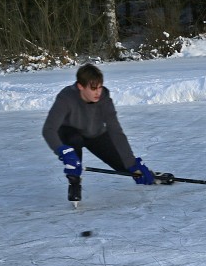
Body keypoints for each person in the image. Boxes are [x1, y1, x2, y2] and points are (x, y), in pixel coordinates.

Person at [42, 64, 155, 203]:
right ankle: (74, 181)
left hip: (95, 134)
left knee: (125, 166)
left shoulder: (104, 98)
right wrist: (61, 150)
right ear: (80, 86)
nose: (98, 92)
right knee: (73, 147)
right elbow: (48, 129)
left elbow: (116, 131)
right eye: (93, 88)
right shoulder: (66, 98)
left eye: (100, 87)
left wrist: (131, 162)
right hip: (70, 134)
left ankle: (146, 174)